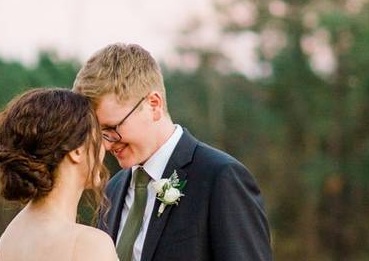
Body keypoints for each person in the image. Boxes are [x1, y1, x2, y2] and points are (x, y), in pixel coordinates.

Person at [73, 43, 273, 261]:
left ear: (154, 105)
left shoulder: (220, 178)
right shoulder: (113, 189)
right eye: (99, 132)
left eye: (112, 128)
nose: (107, 144)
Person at [0, 87, 119, 261]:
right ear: (77, 151)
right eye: (99, 136)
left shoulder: (10, 237)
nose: (104, 148)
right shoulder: (89, 244)